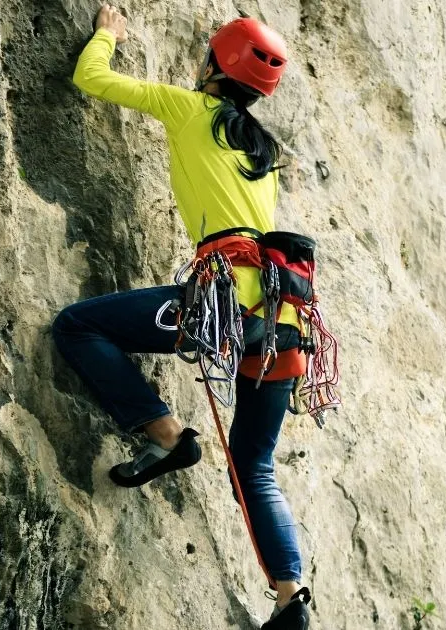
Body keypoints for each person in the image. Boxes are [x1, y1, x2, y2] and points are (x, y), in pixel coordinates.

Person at [51, 5, 311, 628]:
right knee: (256, 466)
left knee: (78, 326)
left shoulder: (192, 109)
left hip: (220, 307)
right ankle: (290, 600)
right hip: (283, 323)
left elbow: (93, 79)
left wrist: (108, 36)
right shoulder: (265, 151)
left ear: (215, 67)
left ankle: (169, 437)